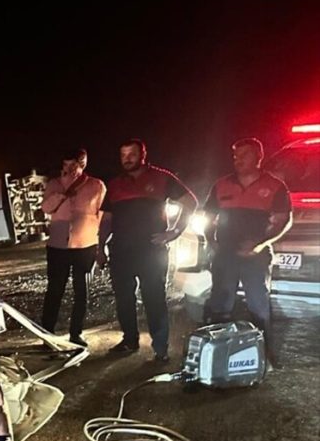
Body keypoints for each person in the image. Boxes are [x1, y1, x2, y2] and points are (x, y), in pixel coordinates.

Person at [99, 139, 197, 362]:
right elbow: (107, 218)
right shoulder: (115, 184)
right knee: (124, 299)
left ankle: (160, 348)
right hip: (121, 251)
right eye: (123, 155)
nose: (127, 159)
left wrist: (174, 232)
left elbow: (191, 202)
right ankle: (129, 340)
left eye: (132, 154)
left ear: (143, 154)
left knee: (154, 298)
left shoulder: (161, 178)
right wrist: (100, 246)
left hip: (151, 251)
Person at [203, 137, 293, 366]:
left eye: (244, 155)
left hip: (256, 256)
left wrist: (260, 244)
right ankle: (218, 356)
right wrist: (210, 240)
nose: (238, 160)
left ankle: (264, 355)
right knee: (221, 304)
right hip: (225, 256)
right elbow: (208, 216)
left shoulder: (274, 186)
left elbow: (284, 220)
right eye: (235, 155)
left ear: (258, 157)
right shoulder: (221, 185)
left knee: (258, 305)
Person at [40, 148, 106, 347]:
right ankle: (47, 334)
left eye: (74, 165)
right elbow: (46, 208)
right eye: (65, 165)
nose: (69, 169)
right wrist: (62, 194)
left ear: (83, 163)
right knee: (54, 291)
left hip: (85, 245)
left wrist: (102, 244)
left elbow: (101, 215)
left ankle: (75, 333)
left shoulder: (96, 185)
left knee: (81, 292)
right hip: (58, 246)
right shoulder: (54, 184)